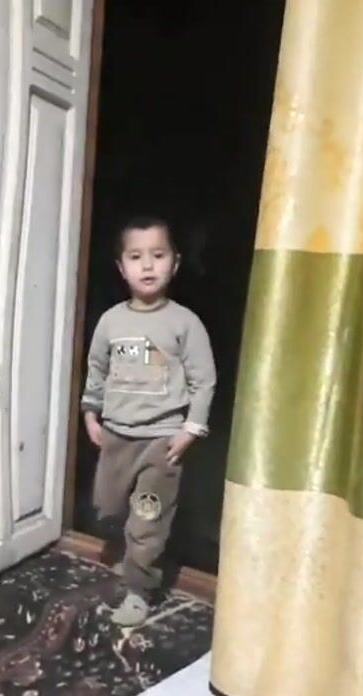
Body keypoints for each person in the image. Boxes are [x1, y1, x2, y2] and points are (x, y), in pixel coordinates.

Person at [81, 215, 216, 626]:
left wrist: (191, 428)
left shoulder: (184, 323)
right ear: (121, 267)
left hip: (161, 442)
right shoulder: (110, 322)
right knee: (107, 507)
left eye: (158, 255)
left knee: (147, 518)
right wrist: (90, 412)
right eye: (136, 256)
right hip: (116, 437)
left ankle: (140, 587)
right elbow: (97, 370)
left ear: (174, 263)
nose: (147, 265)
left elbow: (204, 381)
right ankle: (133, 552)